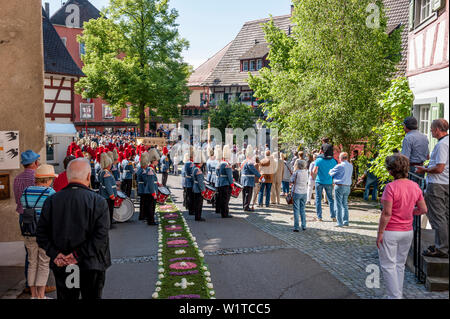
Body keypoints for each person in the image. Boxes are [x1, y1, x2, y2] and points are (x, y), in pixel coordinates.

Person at [36, 158, 111, 300]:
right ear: (89, 176)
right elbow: (100, 237)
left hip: (63, 263)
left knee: (68, 296)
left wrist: (56, 253)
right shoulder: (98, 201)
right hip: (91, 264)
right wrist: (76, 255)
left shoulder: (52, 200)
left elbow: (41, 234)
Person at [377, 155, 427, 299]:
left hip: (391, 231)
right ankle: (396, 294)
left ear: (391, 171)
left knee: (388, 265)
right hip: (407, 231)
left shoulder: (390, 187)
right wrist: (410, 211)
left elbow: (386, 213)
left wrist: (380, 233)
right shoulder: (415, 186)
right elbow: (423, 209)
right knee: (399, 264)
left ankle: (394, 296)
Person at [20, 164, 57, 299]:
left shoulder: (26, 191)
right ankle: (41, 295)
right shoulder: (50, 193)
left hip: (28, 232)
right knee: (43, 263)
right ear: (47, 179)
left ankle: (33, 295)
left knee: (31, 262)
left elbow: (23, 206)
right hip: (44, 234)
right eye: (51, 179)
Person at [416, 119, 449, 258]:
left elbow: (440, 168)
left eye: (431, 128)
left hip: (437, 184)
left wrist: (425, 169)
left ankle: (442, 249)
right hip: (446, 183)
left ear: (437, 129)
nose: (430, 130)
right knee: (446, 217)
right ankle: (444, 246)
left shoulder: (442, 145)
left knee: (437, 217)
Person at [312, 145, 337, 221]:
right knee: (330, 199)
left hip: (319, 181)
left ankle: (319, 217)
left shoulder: (318, 160)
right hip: (329, 181)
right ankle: (333, 216)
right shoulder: (334, 161)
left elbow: (314, 171)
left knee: (318, 198)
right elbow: (335, 172)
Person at [401, 116, 429, 182]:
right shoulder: (424, 136)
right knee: (418, 189)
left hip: (411, 169)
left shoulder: (408, 138)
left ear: (405, 126)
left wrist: (399, 155)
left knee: (410, 190)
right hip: (422, 168)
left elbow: (405, 159)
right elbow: (427, 156)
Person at [329, 152, 353, 227]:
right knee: (345, 204)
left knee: (338, 204)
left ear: (341, 158)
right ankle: (346, 221)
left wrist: (331, 170)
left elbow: (330, 173)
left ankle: (339, 222)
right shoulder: (350, 165)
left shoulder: (339, 166)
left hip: (340, 186)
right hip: (348, 186)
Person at [98, 153, 117, 229]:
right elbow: (108, 186)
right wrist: (112, 195)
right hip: (108, 195)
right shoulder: (106, 173)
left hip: (104, 194)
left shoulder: (102, 171)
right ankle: (109, 224)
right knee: (109, 211)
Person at [240, 145, 261, 212]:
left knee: (244, 194)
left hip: (244, 179)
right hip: (248, 179)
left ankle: (244, 206)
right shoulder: (249, 162)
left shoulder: (244, 161)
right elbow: (254, 171)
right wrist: (260, 176)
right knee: (248, 194)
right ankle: (246, 207)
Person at [290, 160, 309, 232]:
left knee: (296, 210)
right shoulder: (306, 172)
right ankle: (304, 225)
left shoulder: (296, 173)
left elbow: (291, 180)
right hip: (304, 192)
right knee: (302, 209)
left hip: (297, 192)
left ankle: (296, 227)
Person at [216, 145, 234, 218]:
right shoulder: (226, 164)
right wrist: (232, 184)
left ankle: (223, 213)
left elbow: (217, 173)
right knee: (226, 199)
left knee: (222, 198)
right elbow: (229, 176)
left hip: (220, 182)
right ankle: (225, 213)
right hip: (226, 183)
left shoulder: (220, 163)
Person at [191, 148, 206, 221]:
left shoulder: (194, 168)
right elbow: (200, 182)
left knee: (197, 203)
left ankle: (197, 216)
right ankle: (198, 217)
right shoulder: (198, 170)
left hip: (195, 187)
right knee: (199, 204)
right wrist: (203, 190)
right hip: (198, 188)